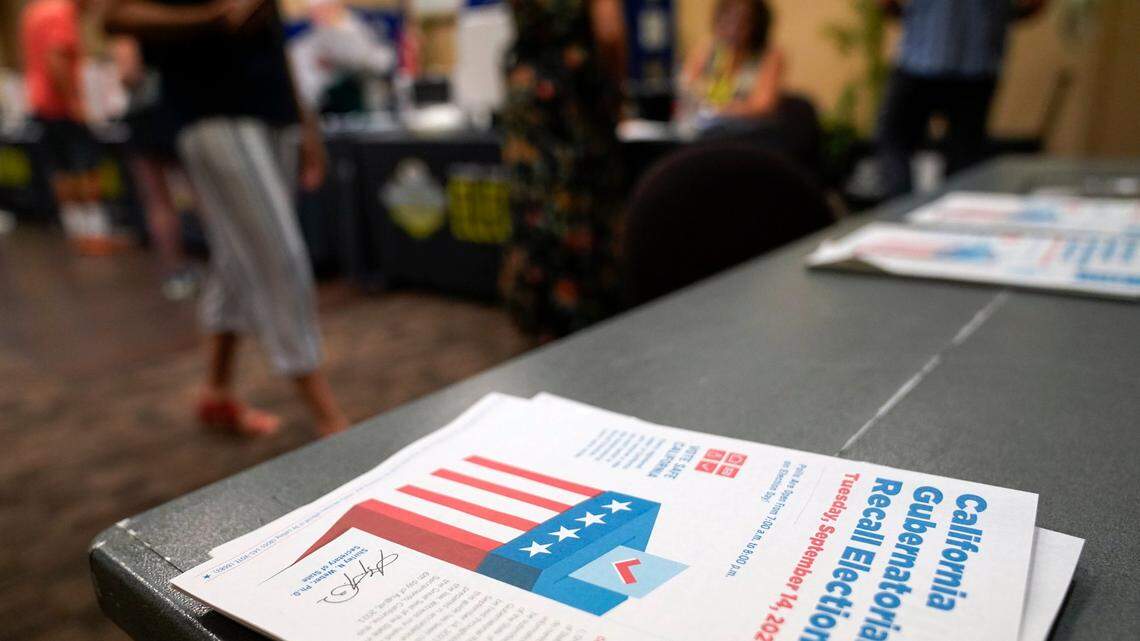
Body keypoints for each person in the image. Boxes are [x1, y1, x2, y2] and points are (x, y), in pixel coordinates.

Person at [105, 0, 349, 436]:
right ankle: (327, 416)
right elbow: (115, 15)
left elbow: (272, 40)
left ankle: (216, 391)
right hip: (212, 111)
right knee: (280, 255)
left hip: (273, 109)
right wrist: (211, 17)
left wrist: (305, 122)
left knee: (238, 257)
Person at [499, 0, 628, 339]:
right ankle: (583, 318)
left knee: (534, 205)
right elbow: (610, 33)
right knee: (578, 203)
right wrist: (615, 89)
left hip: (526, 90)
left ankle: (537, 315)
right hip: (571, 95)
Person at [876, 0, 1049, 197]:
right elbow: (1034, 5)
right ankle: (943, 213)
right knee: (963, 156)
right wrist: (999, 16)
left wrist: (907, 14)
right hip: (977, 63)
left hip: (922, 56)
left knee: (895, 142)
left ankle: (900, 209)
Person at [21, 0, 118, 255]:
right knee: (85, 168)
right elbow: (57, 58)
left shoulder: (35, 11)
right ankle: (94, 234)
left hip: (41, 102)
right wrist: (75, 101)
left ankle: (76, 231)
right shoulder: (60, 12)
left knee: (61, 169)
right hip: (61, 104)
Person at [109, 35, 198, 300]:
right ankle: (227, 262)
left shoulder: (129, 25)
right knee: (198, 190)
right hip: (174, 110)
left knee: (159, 200)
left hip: (148, 116)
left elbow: (129, 74)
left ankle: (177, 271)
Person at [677, 0, 784, 130]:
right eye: (728, 19)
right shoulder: (709, 51)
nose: (733, 28)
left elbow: (762, 106)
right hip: (705, 129)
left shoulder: (768, 56)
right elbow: (684, 89)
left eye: (743, 22)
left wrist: (718, 110)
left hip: (748, 132)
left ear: (757, 25)